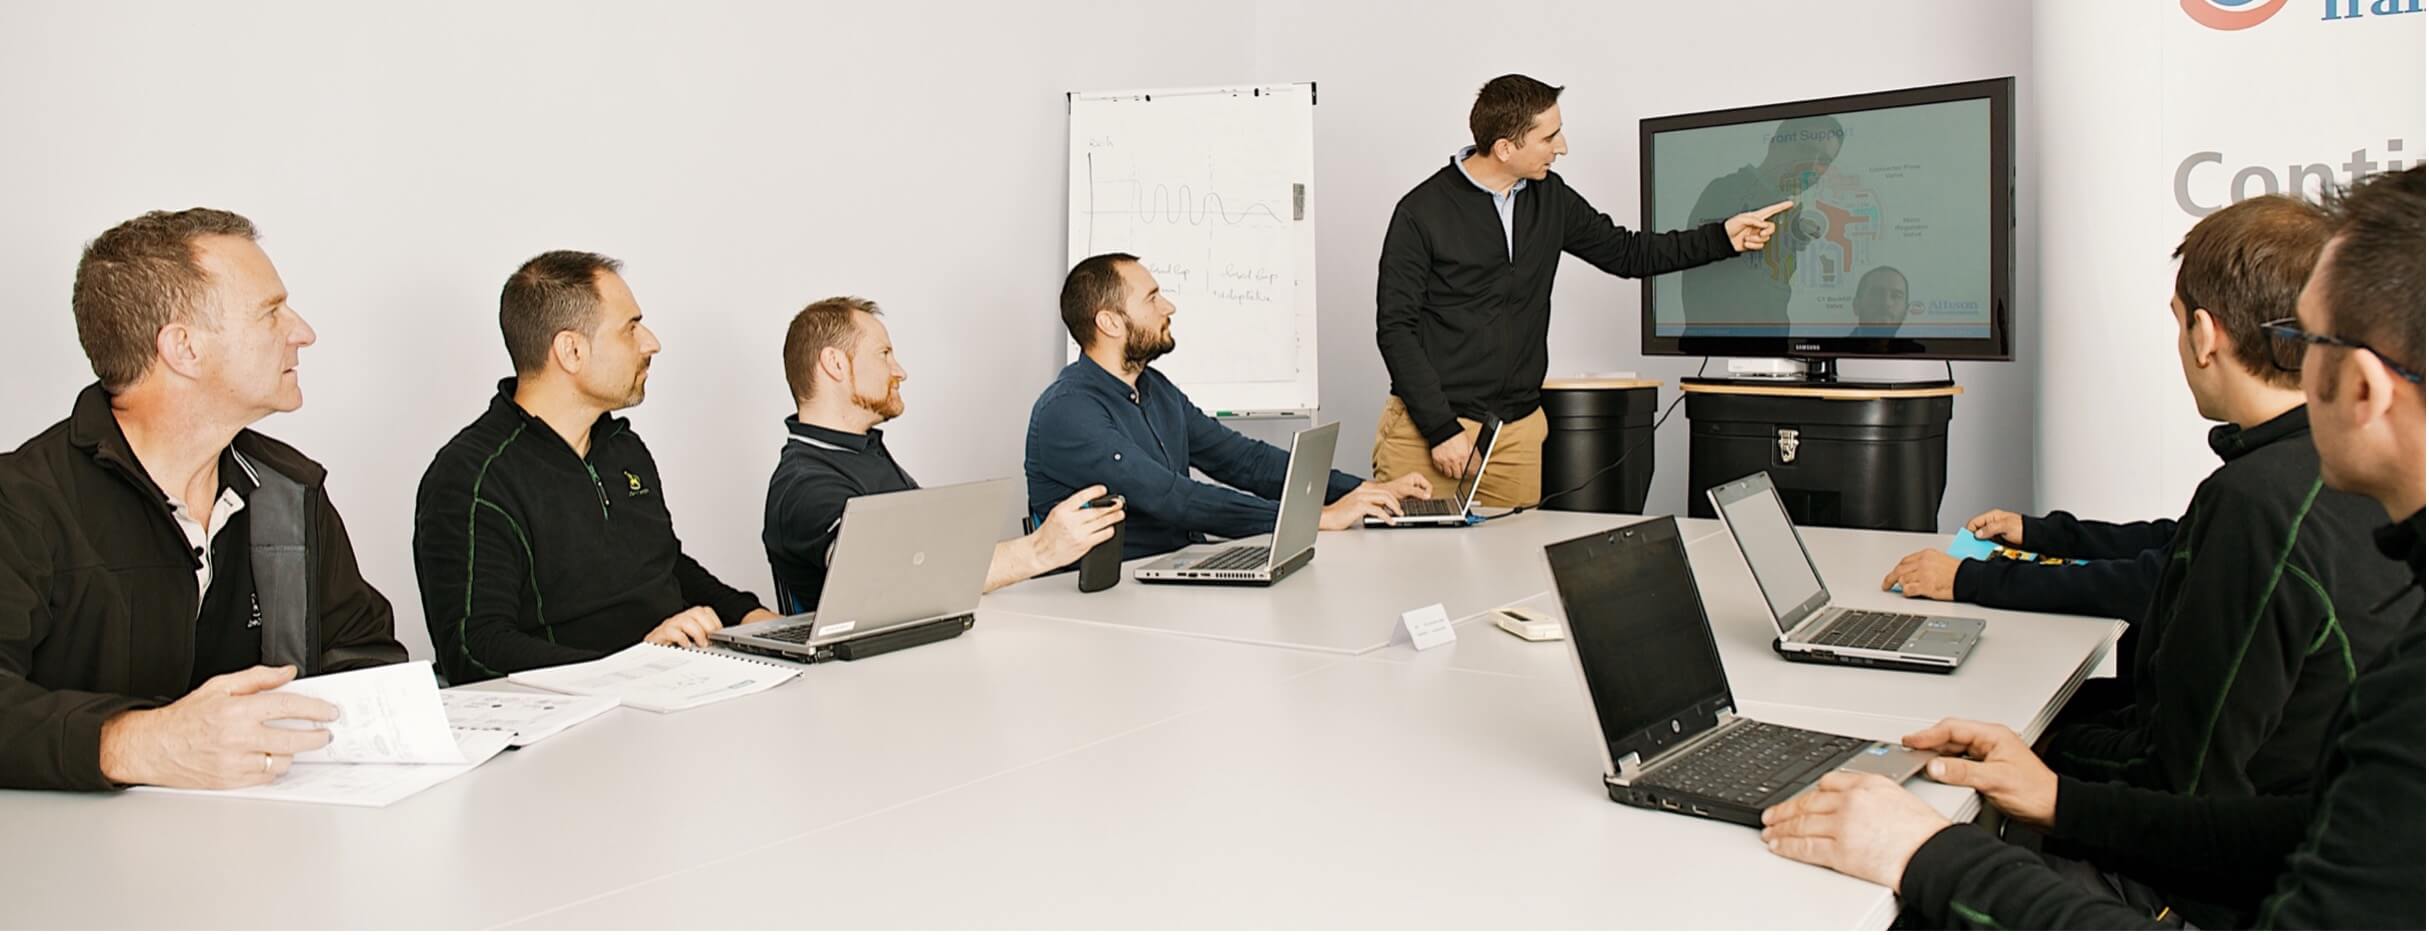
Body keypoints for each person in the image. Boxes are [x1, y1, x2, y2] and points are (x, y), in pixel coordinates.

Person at [1758, 166, 2424, 930]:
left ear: (2365, 387)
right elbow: (2301, 825)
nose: (2295, 363)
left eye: (2308, 340)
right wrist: (2056, 797)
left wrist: (1929, 855)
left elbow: (2196, 789)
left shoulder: (2276, 512)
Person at [0, 208, 406, 791]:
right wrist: (137, 743)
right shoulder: (22, 503)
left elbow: (365, 657)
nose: (302, 331)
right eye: (271, 312)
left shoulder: (291, 493)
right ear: (183, 348)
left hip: (264, 854)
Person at [1373, 74, 1791, 507]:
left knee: (1509, 572)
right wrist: (1441, 429)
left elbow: (1627, 253)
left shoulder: (1549, 197)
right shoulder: (1420, 212)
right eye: (1549, 137)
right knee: (1417, 568)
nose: (1563, 147)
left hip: (1515, 434)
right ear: (1505, 148)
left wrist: (1722, 237)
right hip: (1431, 432)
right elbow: (1395, 329)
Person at [413, 251, 777, 684]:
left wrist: (751, 616)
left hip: (673, 690)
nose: (651, 342)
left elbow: (664, 566)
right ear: (571, 350)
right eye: (631, 328)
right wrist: (631, 665)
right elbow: (475, 651)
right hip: (576, 725)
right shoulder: (472, 479)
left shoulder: (622, 449)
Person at [1029, 253, 1420, 560]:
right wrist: (1312, 519)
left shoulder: (1156, 389)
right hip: (1112, 597)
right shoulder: (1069, 412)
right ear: (1110, 323)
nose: (1168, 306)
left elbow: (1244, 462)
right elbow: (1175, 498)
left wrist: (1366, 492)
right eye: (1152, 298)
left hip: (1174, 573)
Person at [765, 296, 1125, 610]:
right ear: (836, 364)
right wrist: (1040, 550)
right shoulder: (804, 485)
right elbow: (892, 576)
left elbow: (932, 555)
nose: (900, 371)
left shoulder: (861, 453)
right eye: (884, 354)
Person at [1679, 115, 1848, 333]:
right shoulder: (1726, 191)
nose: (1812, 167)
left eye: (1824, 161)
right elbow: (1704, 275)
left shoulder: (1787, 207)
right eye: (1806, 150)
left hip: (1771, 350)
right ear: (1775, 145)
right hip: (1730, 344)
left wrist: (1794, 231)